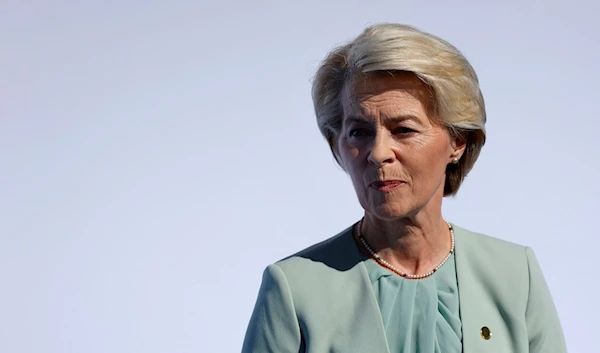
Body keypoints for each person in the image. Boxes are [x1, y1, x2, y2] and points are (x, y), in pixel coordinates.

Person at [241, 23, 566, 353]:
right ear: (337, 144)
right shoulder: (293, 289)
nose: (379, 153)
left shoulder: (515, 274)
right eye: (358, 132)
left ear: (458, 141)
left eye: (404, 129)